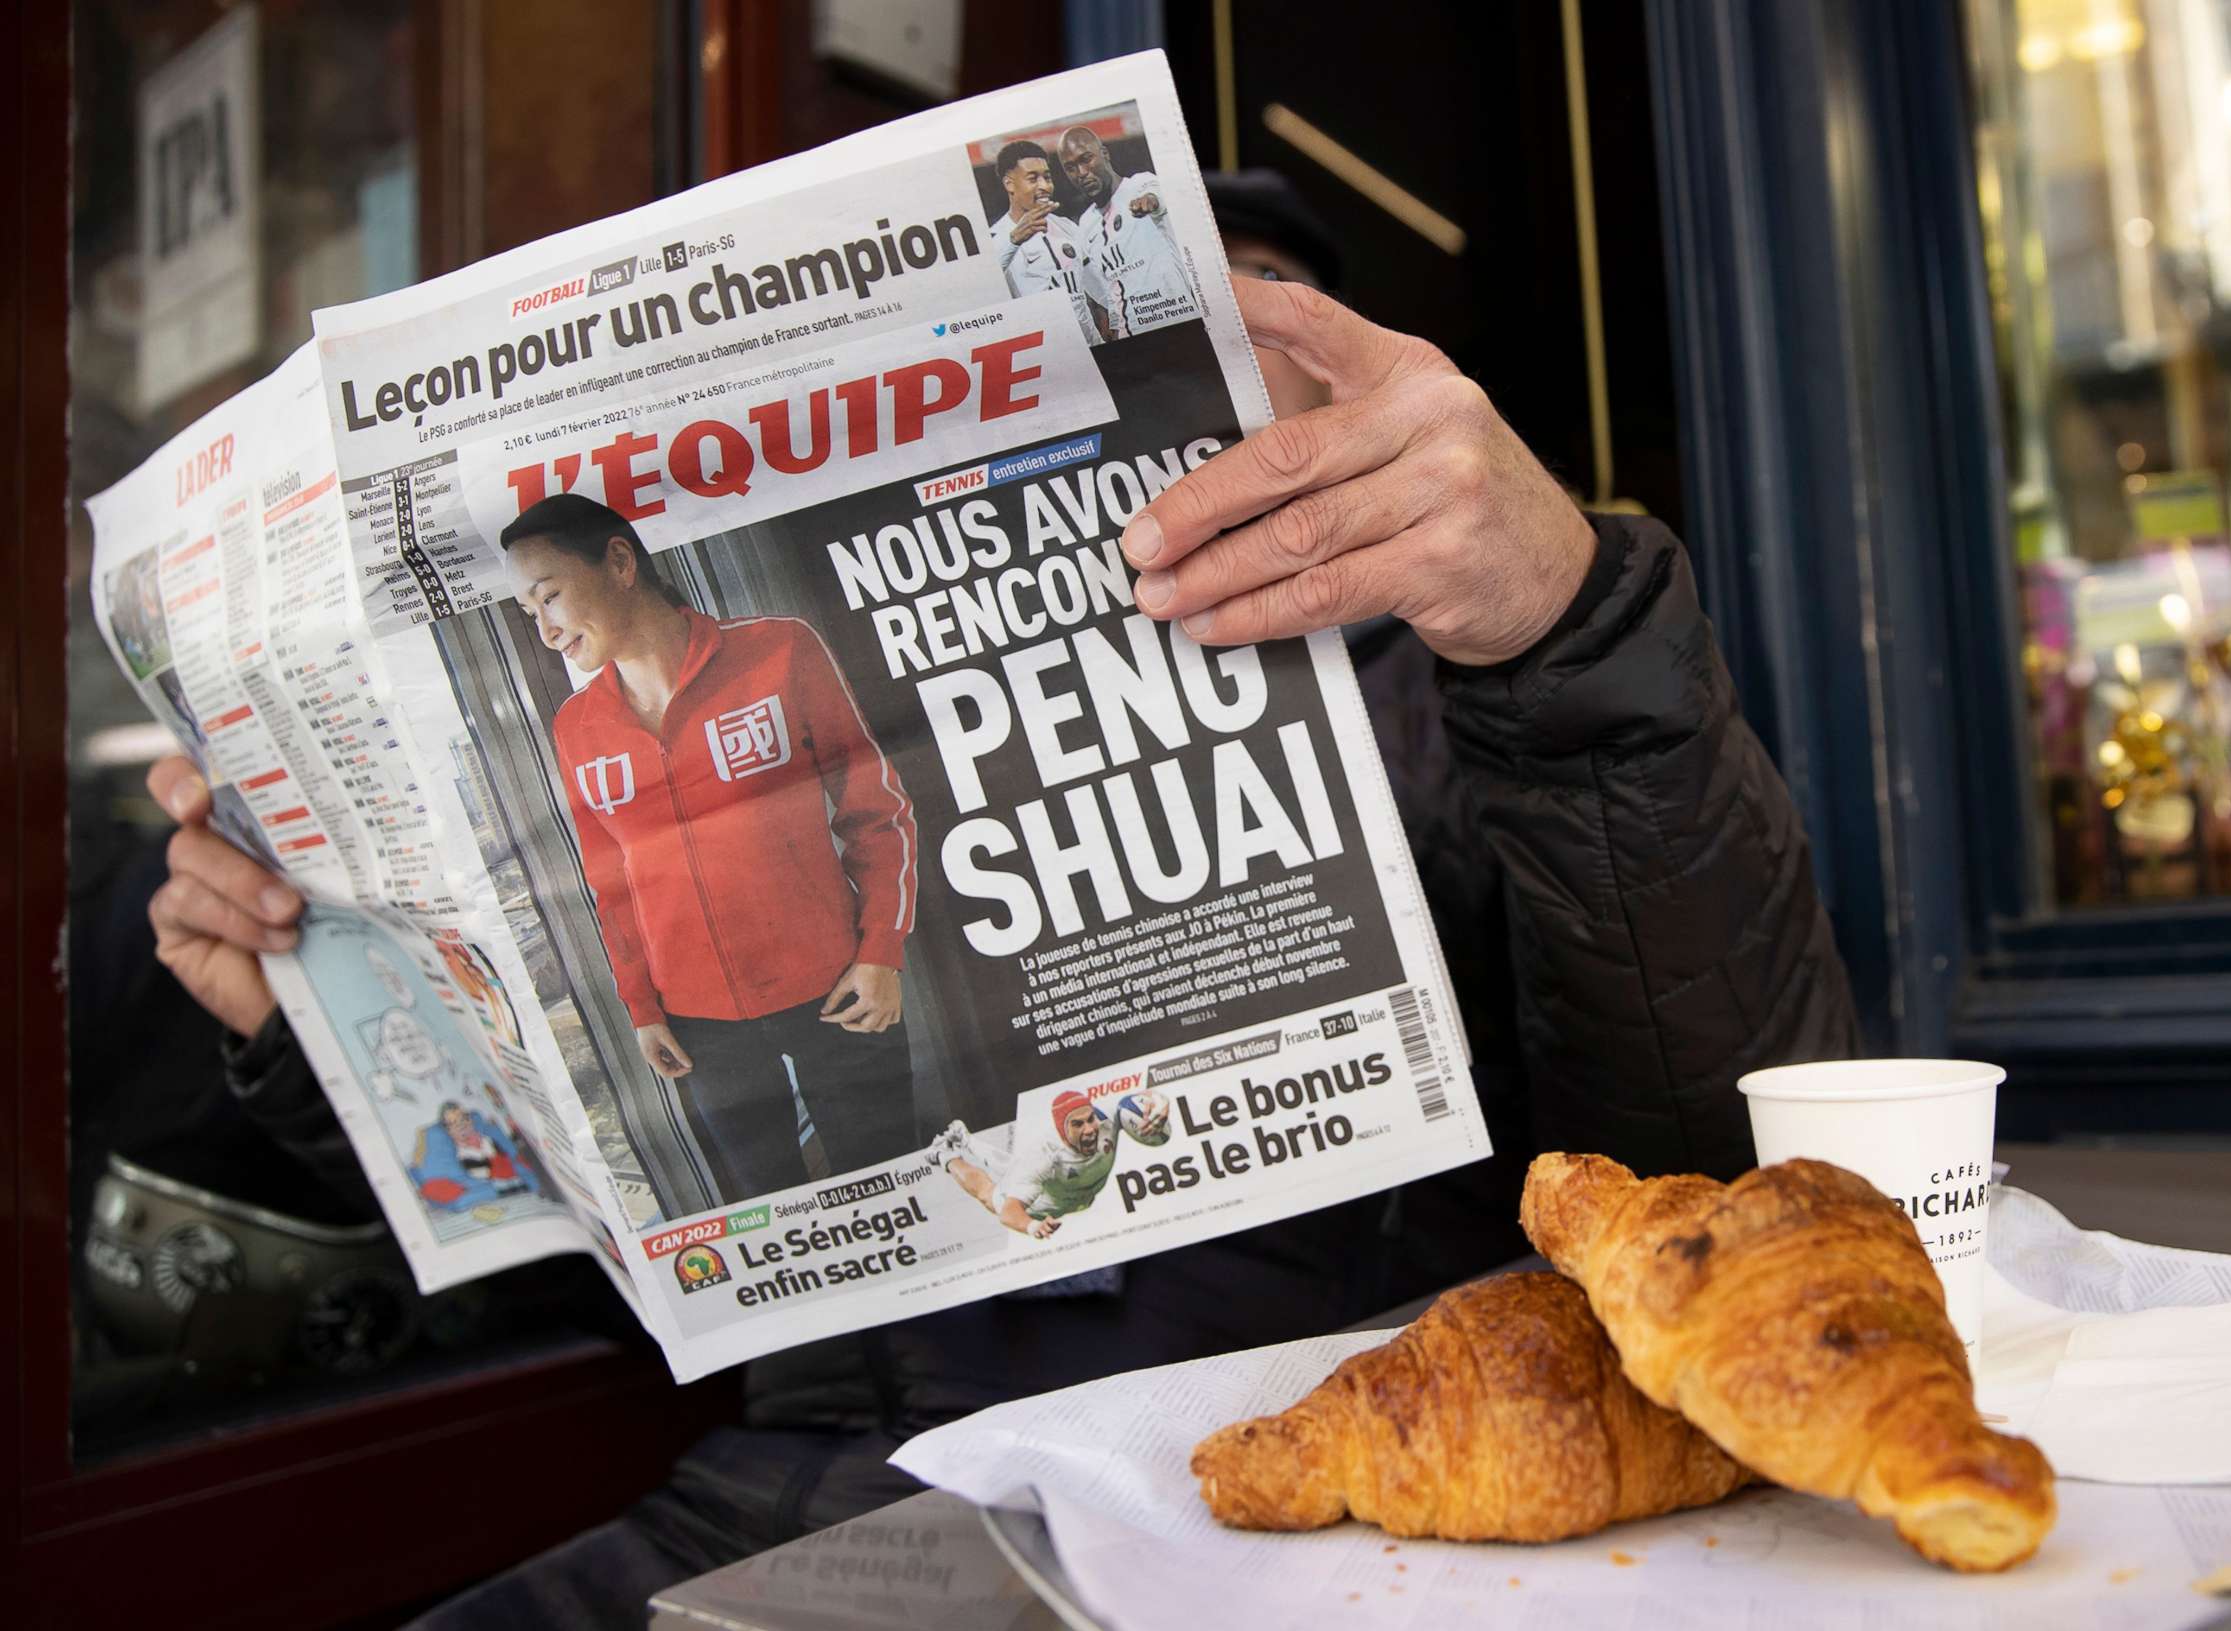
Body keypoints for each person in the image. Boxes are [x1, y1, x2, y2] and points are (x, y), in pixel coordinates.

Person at [143, 252, 1858, 1623]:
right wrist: (319, 1027)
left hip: (1284, 1478)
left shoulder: (1452, 704)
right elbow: (621, 1277)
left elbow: (1738, 1152)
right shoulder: (683, 727)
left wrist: (1576, 643)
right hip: (823, 1483)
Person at [503, 492, 921, 1200]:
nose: (545, 629)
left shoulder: (780, 648)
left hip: (838, 988)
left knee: (896, 1191)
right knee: (766, 1213)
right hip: (700, 1030)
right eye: (528, 613)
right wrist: (641, 1007)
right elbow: (609, 883)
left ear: (620, 561)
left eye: (550, 597)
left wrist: (881, 950)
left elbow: (876, 808)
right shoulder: (577, 726)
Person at [1057, 123, 1199, 338]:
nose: (1082, 173)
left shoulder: (1141, 184)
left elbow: (1157, 196)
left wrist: (1150, 202)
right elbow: (1103, 287)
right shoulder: (1086, 224)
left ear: (1104, 154)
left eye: (1086, 159)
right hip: (1131, 335)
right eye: (1071, 168)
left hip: (1180, 322)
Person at [925, 1094, 1118, 1239]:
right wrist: (1032, 1225)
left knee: (1010, 1167)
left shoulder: (1106, 1120)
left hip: (1060, 1190)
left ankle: (965, 1139)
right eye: (1077, 1124)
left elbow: (1134, 1101)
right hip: (1039, 1206)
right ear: (1062, 1129)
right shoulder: (1044, 1158)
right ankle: (945, 1154)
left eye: (1091, 1119)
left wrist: (1148, 1109)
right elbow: (1009, 1213)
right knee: (988, 1196)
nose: (1090, 1129)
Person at [986, 138, 1115, 344]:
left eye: (1047, 177)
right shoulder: (995, 239)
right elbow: (984, 291)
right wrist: (1013, 241)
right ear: (1009, 184)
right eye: (1033, 178)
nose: (1044, 186)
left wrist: (1115, 319)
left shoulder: (1067, 227)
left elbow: (1095, 282)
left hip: (1092, 344)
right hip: (1047, 354)